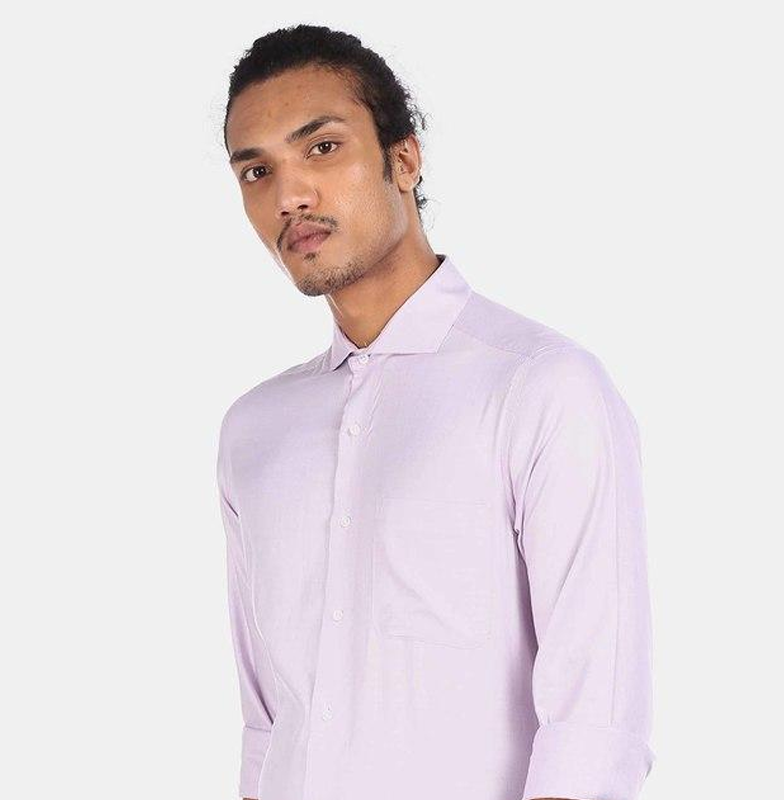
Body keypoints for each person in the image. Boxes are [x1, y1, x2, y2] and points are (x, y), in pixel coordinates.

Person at [216, 23, 655, 800]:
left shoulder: (541, 388)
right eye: (257, 170)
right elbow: (265, 726)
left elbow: (595, 723)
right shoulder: (255, 431)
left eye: (323, 148)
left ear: (404, 160)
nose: (290, 196)